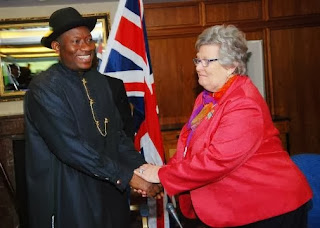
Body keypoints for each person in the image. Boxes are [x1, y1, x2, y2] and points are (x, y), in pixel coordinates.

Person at [134, 24, 313, 227]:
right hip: (235, 205)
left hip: (269, 207)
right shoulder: (206, 98)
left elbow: (216, 160)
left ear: (231, 66)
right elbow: (188, 147)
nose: (198, 67)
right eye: (197, 60)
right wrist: (162, 174)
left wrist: (160, 174)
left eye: (206, 61)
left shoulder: (244, 103)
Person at [24, 7, 162, 228]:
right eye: (76, 42)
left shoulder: (99, 82)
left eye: (89, 40)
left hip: (109, 188)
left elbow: (116, 136)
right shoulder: (44, 88)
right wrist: (128, 177)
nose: (87, 47)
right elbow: (71, 148)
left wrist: (143, 169)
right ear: (57, 47)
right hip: (69, 193)